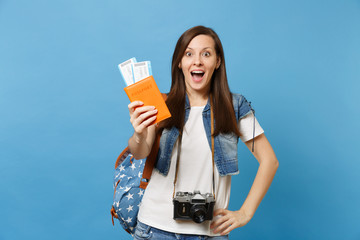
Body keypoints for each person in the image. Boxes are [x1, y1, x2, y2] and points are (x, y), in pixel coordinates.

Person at [127, 26, 279, 240]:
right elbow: (140, 152)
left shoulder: (234, 106)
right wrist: (139, 134)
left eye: (206, 54)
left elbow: (270, 161)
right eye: (189, 53)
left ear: (217, 62)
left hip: (210, 233)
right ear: (179, 62)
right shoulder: (161, 103)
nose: (197, 61)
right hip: (155, 229)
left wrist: (245, 213)